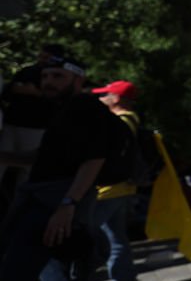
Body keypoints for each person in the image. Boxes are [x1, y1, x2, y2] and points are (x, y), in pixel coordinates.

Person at [0, 53, 112, 280]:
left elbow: (94, 159)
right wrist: (5, 156)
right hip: (40, 200)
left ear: (78, 79)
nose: (49, 82)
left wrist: (68, 205)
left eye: (58, 76)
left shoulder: (85, 108)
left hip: (55, 205)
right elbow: (44, 158)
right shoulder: (60, 110)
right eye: (45, 76)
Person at [0, 44, 62, 213]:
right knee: (3, 162)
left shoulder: (62, 77)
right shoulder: (27, 71)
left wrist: (38, 93)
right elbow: (8, 91)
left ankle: (21, 208)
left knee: (27, 172)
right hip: (13, 124)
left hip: (37, 128)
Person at [91, 80, 141, 281]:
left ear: (116, 98)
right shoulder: (128, 119)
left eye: (104, 95)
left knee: (86, 234)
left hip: (110, 189)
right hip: (120, 188)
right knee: (116, 239)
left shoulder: (121, 121)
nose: (101, 99)